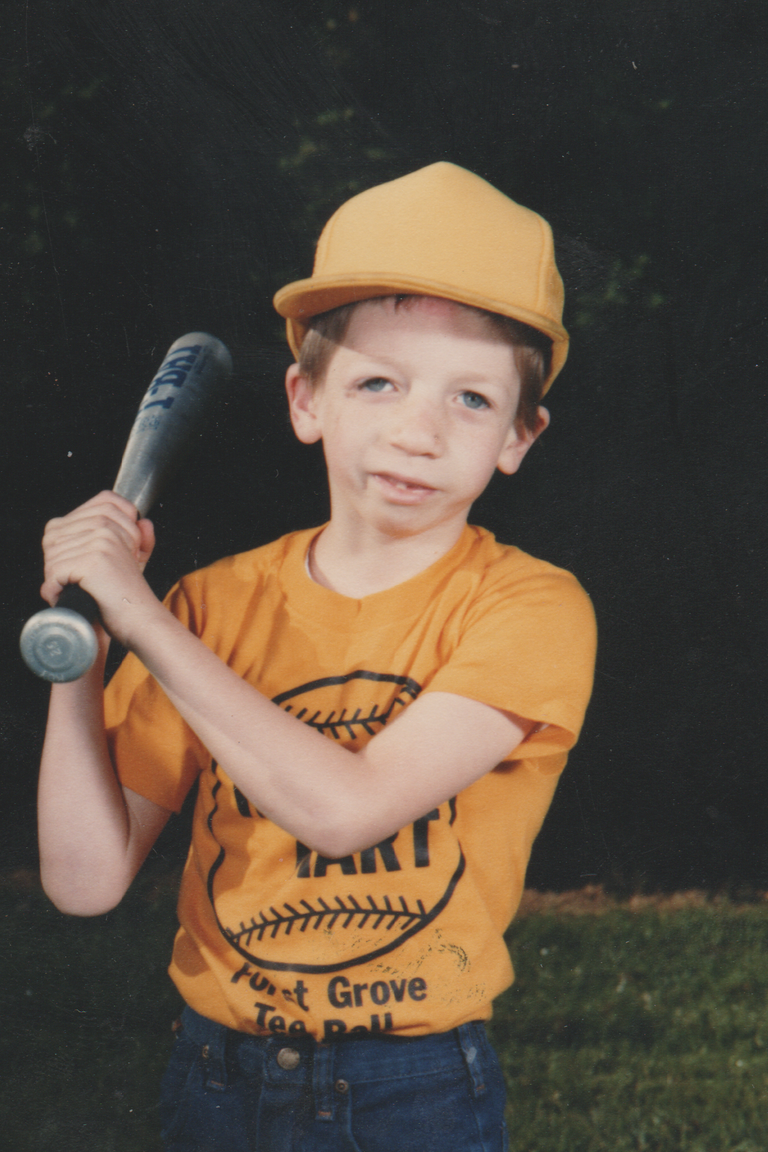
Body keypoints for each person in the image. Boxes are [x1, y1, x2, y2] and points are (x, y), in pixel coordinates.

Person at [37, 162, 596, 1152]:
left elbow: (349, 811)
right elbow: (85, 880)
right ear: (306, 400)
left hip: (414, 1088)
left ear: (520, 436)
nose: (418, 431)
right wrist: (82, 651)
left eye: (471, 400)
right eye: (378, 383)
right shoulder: (213, 607)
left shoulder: (529, 607)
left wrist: (143, 622)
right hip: (215, 1073)